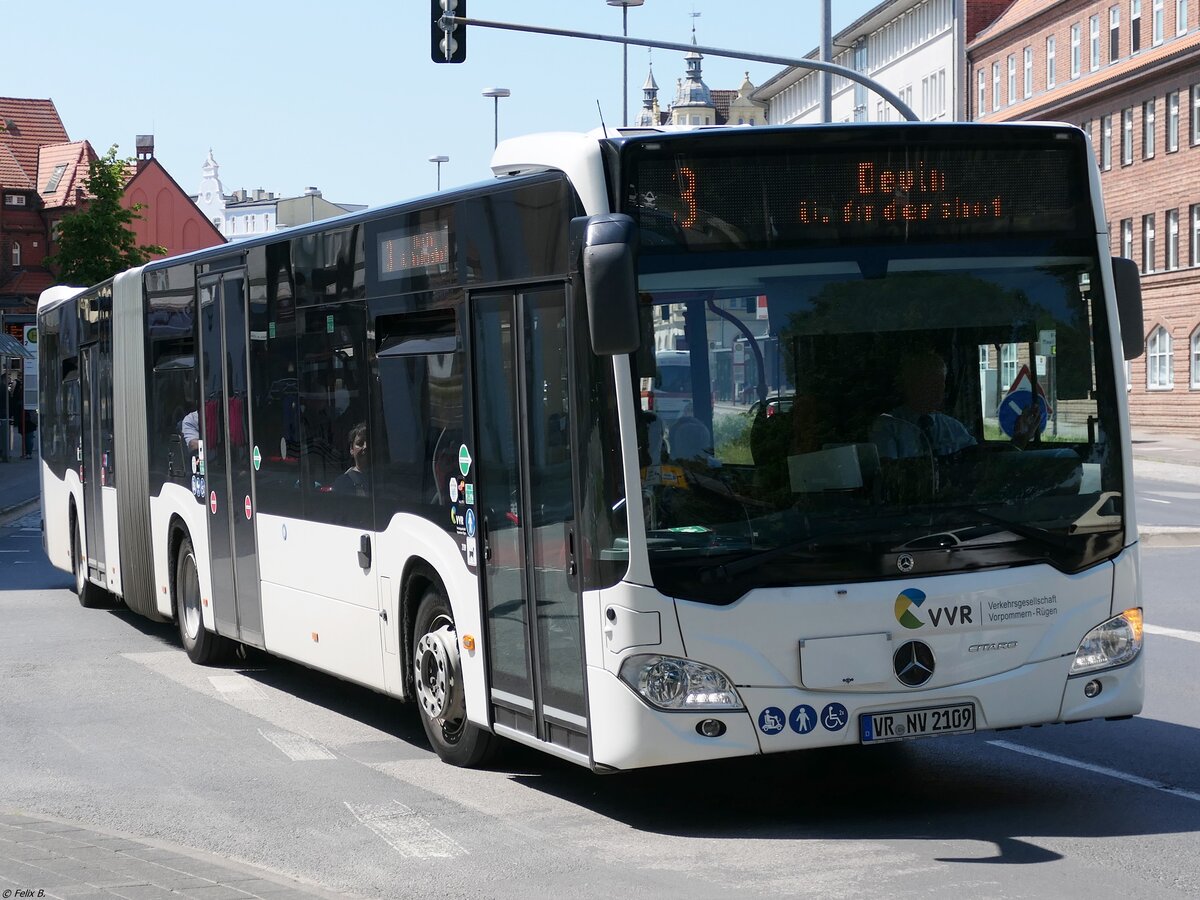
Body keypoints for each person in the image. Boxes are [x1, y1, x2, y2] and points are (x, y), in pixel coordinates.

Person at [870, 349, 977, 459]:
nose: (938, 391)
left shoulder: (954, 427)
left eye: (941, 384)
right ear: (911, 385)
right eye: (930, 384)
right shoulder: (888, 427)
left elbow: (977, 459)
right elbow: (889, 471)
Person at [332, 422, 369, 496]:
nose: (365, 446)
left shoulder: (386, 479)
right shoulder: (341, 483)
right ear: (352, 449)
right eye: (360, 443)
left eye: (370, 442)